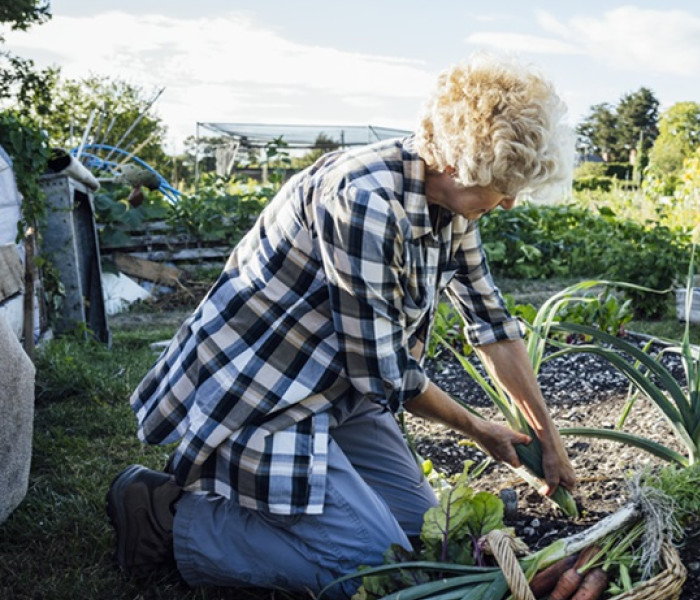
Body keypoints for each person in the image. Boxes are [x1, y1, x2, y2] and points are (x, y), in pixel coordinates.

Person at [105, 53, 577, 597]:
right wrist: (480, 430)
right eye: (501, 185)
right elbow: (385, 375)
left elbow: (493, 324)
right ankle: (171, 520)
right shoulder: (364, 200)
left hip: (338, 393)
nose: (511, 200)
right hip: (263, 397)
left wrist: (549, 439)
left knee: (419, 543)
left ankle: (281, 508)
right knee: (375, 570)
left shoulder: (456, 208)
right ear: (452, 164)